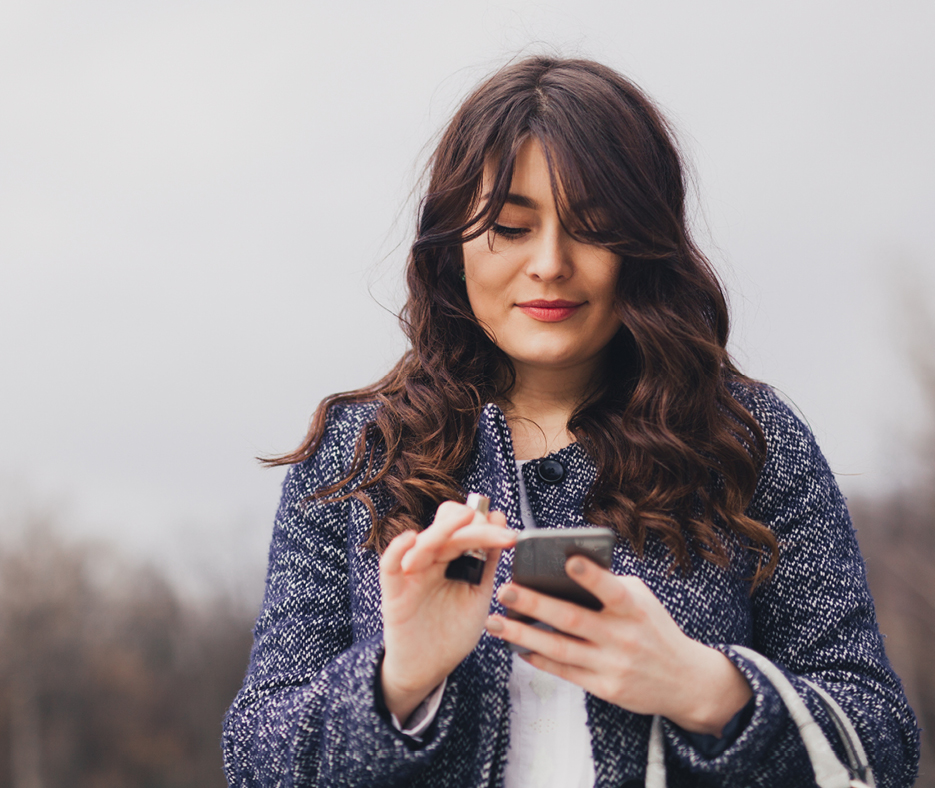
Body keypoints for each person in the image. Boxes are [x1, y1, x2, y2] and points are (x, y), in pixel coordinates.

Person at [222, 56, 919, 787]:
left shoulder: (747, 442)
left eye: (591, 229)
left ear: (645, 246)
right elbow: (255, 760)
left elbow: (881, 746)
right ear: (452, 244)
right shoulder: (359, 455)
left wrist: (705, 691)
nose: (550, 264)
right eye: (512, 228)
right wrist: (398, 680)